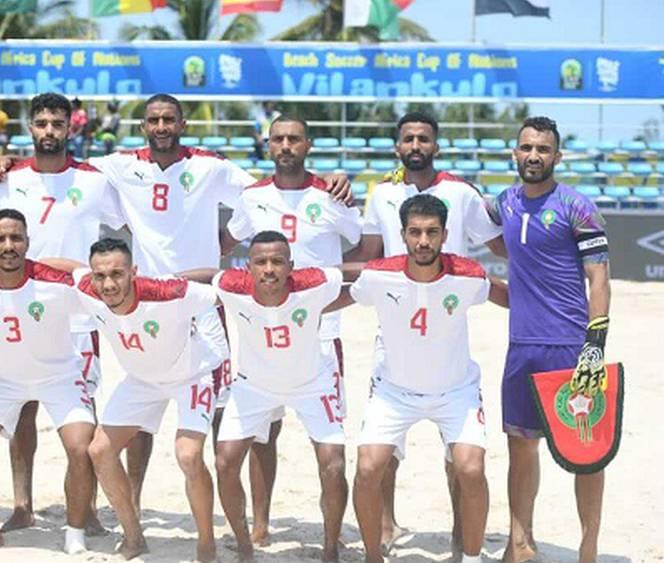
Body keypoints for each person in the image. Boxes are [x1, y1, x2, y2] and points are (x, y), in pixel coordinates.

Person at [0, 93, 352, 520]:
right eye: (153, 120)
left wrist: (329, 178)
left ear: (183, 124)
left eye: (169, 119)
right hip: (141, 304)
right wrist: (9, 159)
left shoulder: (210, 167)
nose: (161, 126)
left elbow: (272, 184)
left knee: (222, 409)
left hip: (200, 303)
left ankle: (233, 515)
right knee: (142, 406)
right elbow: (55, 158)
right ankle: (135, 505)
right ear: (144, 126)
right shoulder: (118, 167)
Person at [346, 111, 506, 552]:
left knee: (461, 461)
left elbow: (499, 247)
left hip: (448, 315)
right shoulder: (382, 193)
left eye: (424, 139)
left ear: (436, 145)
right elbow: (368, 253)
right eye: (408, 139)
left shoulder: (460, 192)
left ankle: (464, 536)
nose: (416, 145)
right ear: (398, 146)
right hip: (393, 321)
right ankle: (385, 527)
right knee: (381, 456)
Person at [0, 92, 116, 534]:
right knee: (22, 413)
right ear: (29, 127)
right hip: (14, 311)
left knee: (81, 414)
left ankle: (87, 507)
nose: (49, 131)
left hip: (76, 317)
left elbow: (134, 229)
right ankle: (22, 504)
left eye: (57, 123)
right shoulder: (4, 179)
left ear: (69, 128)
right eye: (42, 123)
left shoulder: (96, 180)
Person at [219, 115, 362, 545]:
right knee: (264, 431)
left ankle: (330, 540)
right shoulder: (252, 196)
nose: (285, 145)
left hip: (320, 328)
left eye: (294, 139)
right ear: (268, 144)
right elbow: (228, 243)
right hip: (262, 326)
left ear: (308, 144)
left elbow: (360, 245)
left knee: (327, 445)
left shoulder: (332, 194)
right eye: (278, 139)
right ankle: (260, 524)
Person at [483, 117, 611, 563]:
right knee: (521, 445)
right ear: (514, 154)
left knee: (587, 449)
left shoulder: (577, 206)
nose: (534, 155)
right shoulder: (503, 203)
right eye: (527, 148)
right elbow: (455, 206)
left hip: (570, 346)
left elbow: (599, 278)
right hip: (521, 345)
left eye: (543, 149)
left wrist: (596, 343)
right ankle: (521, 540)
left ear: (557, 156)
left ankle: (588, 548)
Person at [57, 238, 226, 561]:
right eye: (101, 275)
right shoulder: (89, 288)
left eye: (118, 274)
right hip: (141, 380)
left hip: (191, 374)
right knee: (99, 450)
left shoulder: (168, 293)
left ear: (133, 272)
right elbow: (66, 267)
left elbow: (223, 286)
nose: (109, 283)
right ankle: (134, 537)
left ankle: (207, 546)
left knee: (188, 456)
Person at [0, 209, 97, 554]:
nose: (8, 245)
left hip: (60, 376)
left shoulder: (55, 283)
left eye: (16, 238)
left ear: (28, 242)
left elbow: (101, 288)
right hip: (2, 382)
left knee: (80, 447)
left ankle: (74, 532)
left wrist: (77, 267)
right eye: (0, 239)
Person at [199, 231, 357, 562]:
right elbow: (203, 276)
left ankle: (330, 549)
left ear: (291, 266)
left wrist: (401, 267)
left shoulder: (312, 283)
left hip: (312, 383)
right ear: (248, 267)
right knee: (225, 461)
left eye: (277, 261)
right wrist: (158, 279)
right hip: (254, 386)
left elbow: (352, 272)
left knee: (334, 464)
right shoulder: (231, 286)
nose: (269, 269)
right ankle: (245, 545)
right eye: (261, 262)